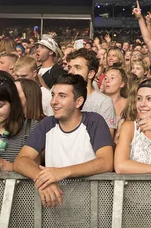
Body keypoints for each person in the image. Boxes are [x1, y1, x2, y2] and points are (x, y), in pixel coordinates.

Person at [14, 74, 114, 207]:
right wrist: (43, 180)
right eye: (53, 95)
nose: (53, 101)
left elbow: (106, 162)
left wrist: (62, 172)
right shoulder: (47, 124)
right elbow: (21, 161)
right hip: (57, 206)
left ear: (78, 102)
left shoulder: (94, 121)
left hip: (92, 206)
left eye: (62, 96)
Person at [66, 48, 117, 138]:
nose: (71, 72)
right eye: (70, 67)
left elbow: (106, 140)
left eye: (77, 67)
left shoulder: (103, 102)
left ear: (91, 74)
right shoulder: (61, 97)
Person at [0, 71, 39, 171]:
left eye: (0, 106)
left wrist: (6, 166)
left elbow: (35, 169)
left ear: (13, 103)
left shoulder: (31, 128)